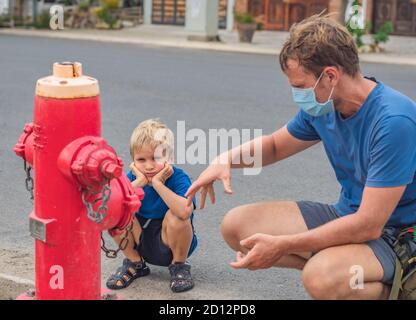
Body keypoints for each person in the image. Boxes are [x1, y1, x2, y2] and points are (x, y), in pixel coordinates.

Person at [185, 14, 416, 300]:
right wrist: (225, 159)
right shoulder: (325, 106)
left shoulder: (394, 120)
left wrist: (283, 245)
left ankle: (401, 288)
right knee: (237, 228)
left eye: (300, 86)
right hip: (348, 214)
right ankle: (341, 268)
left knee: (319, 278)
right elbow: (273, 147)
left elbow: (369, 224)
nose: (296, 95)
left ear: (330, 76)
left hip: (399, 236)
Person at [106, 119, 198, 293]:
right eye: (141, 159)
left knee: (176, 216)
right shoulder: (132, 178)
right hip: (140, 237)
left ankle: (179, 266)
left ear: (169, 158)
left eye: (156, 158)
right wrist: (139, 182)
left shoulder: (178, 178)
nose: (149, 166)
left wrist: (158, 184)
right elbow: (110, 205)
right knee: (117, 211)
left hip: (171, 241)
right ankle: (135, 263)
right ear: (133, 161)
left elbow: (185, 211)